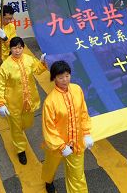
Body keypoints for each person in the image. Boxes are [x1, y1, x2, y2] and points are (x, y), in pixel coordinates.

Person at [41, 61, 93, 193]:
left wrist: (86, 133)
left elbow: (83, 112)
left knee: (77, 177)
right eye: (60, 77)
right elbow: (49, 127)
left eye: (67, 76)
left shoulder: (77, 89)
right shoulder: (50, 101)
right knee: (51, 166)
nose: (65, 80)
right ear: (54, 79)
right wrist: (61, 146)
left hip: (76, 143)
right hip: (57, 144)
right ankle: (48, 180)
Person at [0, 37, 47, 164]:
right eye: (14, 48)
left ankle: (18, 134)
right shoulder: (5, 66)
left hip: (29, 102)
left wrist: (43, 62)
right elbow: (0, 85)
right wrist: (1, 103)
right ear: (10, 49)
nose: (17, 50)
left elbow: (38, 70)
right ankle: (20, 149)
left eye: (20, 47)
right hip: (13, 103)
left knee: (27, 123)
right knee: (16, 128)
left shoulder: (29, 59)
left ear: (23, 48)